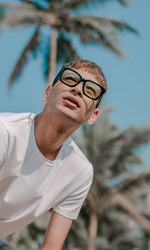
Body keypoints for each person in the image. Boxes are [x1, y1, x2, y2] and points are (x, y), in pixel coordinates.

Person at [0, 60, 107, 250]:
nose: (78, 90)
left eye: (91, 90)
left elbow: (51, 246)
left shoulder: (80, 172)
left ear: (92, 116)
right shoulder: (5, 132)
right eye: (70, 79)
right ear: (47, 93)